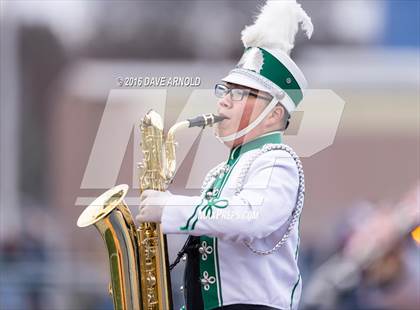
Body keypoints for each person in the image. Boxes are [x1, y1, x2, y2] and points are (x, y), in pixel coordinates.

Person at [136, 1, 313, 309]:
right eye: (225, 91)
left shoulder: (277, 161)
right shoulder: (222, 173)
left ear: (274, 114)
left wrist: (171, 207)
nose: (224, 103)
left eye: (240, 94)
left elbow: (252, 217)